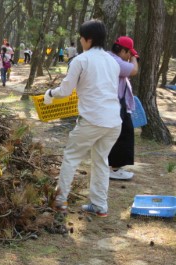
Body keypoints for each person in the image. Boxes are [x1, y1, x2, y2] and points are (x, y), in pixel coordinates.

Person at [44, 20, 121, 217]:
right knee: (101, 160)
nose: (80, 41)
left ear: (88, 39)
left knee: (71, 157)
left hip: (92, 119)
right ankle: (99, 205)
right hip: (113, 121)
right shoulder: (112, 61)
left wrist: (50, 94)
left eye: (81, 38)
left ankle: (60, 201)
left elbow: (65, 90)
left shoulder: (81, 60)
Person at [108, 36, 139, 180]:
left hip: (118, 103)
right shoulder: (115, 62)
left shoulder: (112, 59)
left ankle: (115, 167)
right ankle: (114, 168)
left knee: (124, 133)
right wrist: (135, 59)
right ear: (122, 50)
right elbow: (133, 70)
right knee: (121, 135)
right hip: (115, 104)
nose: (129, 57)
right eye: (129, 53)